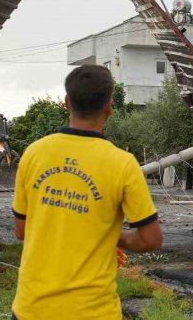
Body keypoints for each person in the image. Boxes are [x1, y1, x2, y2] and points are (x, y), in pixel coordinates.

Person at [11, 65, 162, 320]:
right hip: (93, 312)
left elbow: (22, 230)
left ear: (66, 102)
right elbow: (150, 240)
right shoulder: (123, 164)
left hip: (31, 309)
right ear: (109, 106)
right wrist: (113, 236)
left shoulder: (34, 153)